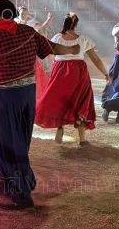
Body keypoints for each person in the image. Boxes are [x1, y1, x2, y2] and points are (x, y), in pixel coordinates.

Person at [0, 0, 80, 210]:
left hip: (6, 97)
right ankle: (9, 183)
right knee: (19, 141)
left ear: (1, 15)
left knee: (6, 142)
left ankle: (22, 193)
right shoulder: (27, 31)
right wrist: (71, 50)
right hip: (26, 95)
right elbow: (51, 48)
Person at [35, 13, 110, 146]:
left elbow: (50, 55)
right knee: (82, 102)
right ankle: (82, 139)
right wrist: (105, 74)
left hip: (60, 72)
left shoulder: (57, 37)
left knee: (59, 101)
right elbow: (96, 59)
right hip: (78, 74)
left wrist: (58, 62)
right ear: (76, 25)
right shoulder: (83, 40)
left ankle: (60, 127)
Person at [17, 6, 53, 99]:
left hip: (28, 51)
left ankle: (35, 90)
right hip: (17, 51)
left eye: (25, 13)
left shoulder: (30, 23)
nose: (23, 15)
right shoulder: (14, 22)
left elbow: (41, 26)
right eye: (21, 13)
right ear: (19, 13)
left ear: (27, 14)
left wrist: (48, 19)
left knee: (35, 70)